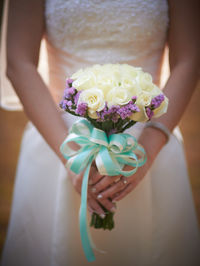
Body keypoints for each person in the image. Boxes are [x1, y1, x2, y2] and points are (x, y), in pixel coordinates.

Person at [1, 0, 200, 265]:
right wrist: (74, 161)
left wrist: (146, 151)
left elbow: (189, 59)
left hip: (148, 139)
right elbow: (18, 62)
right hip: (60, 138)